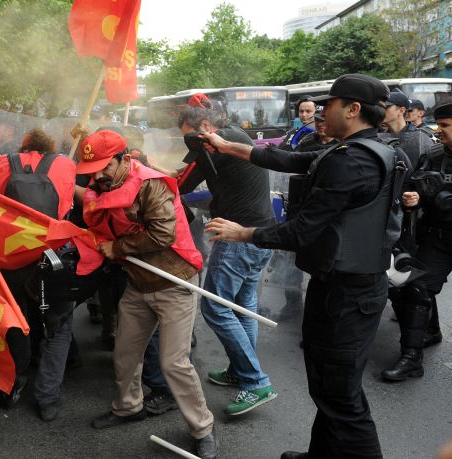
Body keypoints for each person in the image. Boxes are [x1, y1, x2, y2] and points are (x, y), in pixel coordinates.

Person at [201, 74, 401, 458]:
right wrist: (227, 146)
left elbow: (302, 231)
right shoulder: (369, 150)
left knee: (341, 396)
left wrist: (244, 234)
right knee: (329, 388)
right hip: (350, 287)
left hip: (345, 294)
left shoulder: (352, 161)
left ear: (353, 109)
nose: (322, 111)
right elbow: (291, 159)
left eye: (329, 104)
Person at [80, 130, 216, 459]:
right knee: (125, 353)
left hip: (174, 282)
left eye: (104, 167)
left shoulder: (150, 184)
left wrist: (117, 246)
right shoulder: (102, 187)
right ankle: (128, 407)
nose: (97, 176)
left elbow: (163, 233)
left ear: (124, 159)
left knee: (174, 363)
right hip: (138, 284)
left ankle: (202, 428)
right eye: (92, 169)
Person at [178, 106, 278, 416]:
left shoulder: (216, 143)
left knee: (215, 306)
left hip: (238, 237)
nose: (188, 144)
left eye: (188, 136)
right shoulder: (237, 136)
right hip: (260, 233)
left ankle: (255, 381)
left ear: (205, 125)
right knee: (242, 305)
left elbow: (181, 184)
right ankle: (241, 371)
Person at [0, 128, 77, 420]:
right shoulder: (65, 164)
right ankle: (47, 398)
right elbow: (67, 208)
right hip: (51, 253)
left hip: (11, 255)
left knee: (16, 318)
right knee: (58, 324)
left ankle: (12, 383)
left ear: (23, 146)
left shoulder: (3, 163)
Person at [381, 103, 452, 381]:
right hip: (438, 236)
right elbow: (414, 187)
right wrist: (414, 200)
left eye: (445, 126)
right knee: (415, 289)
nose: (439, 131)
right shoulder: (434, 155)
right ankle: (412, 356)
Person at [381, 91, 435, 170]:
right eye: (379, 107)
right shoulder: (377, 137)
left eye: (386, 107)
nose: (381, 111)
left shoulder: (423, 136)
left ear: (401, 110)